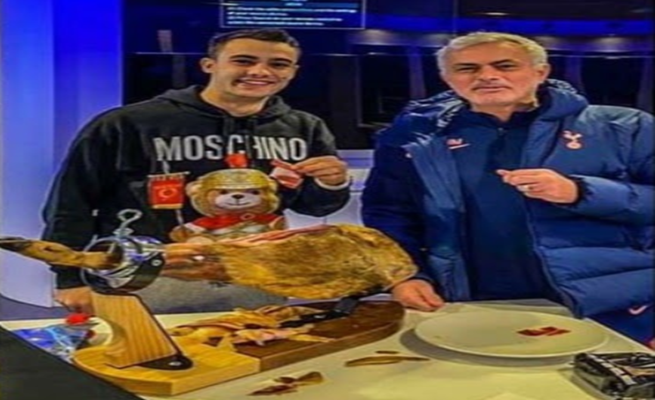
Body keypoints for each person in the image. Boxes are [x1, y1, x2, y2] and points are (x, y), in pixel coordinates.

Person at [361, 32, 654, 344]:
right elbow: (389, 214)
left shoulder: (625, 127)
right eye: (467, 68)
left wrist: (580, 192)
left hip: (610, 303)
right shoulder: (412, 138)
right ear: (447, 78)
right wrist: (405, 275)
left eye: (505, 66)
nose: (487, 76)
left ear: (541, 72)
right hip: (465, 300)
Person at [43, 29, 350, 315]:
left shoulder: (304, 127)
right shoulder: (128, 124)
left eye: (278, 64)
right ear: (209, 65)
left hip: (256, 278)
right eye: (244, 61)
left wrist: (332, 184)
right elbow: (71, 203)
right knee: (144, 354)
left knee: (253, 348)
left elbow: (314, 207)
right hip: (148, 279)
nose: (260, 71)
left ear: (293, 72)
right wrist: (69, 277)